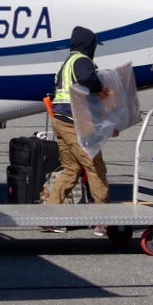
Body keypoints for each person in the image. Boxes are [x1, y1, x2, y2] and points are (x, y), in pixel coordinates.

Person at [45, 26, 111, 231]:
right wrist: (100, 89)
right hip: (73, 122)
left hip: (60, 120)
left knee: (71, 169)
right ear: (88, 44)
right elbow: (87, 78)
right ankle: (102, 219)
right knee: (94, 166)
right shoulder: (82, 61)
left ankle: (50, 215)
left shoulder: (67, 63)